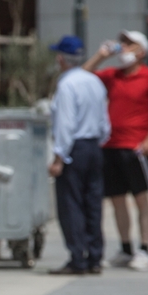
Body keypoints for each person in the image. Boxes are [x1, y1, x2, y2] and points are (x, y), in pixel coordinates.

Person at [83, 30, 148, 272]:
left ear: (141, 51)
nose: (123, 47)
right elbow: (83, 76)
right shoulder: (113, 75)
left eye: (129, 44)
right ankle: (125, 248)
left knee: (141, 198)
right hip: (110, 146)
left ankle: (144, 249)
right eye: (122, 43)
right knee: (117, 200)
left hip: (135, 147)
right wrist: (101, 56)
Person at [47, 35, 110, 275]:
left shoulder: (66, 85)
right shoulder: (95, 81)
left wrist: (58, 158)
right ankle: (95, 256)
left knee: (71, 203)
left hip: (74, 149)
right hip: (94, 146)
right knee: (93, 202)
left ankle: (77, 257)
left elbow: (65, 124)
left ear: (61, 59)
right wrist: (98, 142)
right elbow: (105, 121)